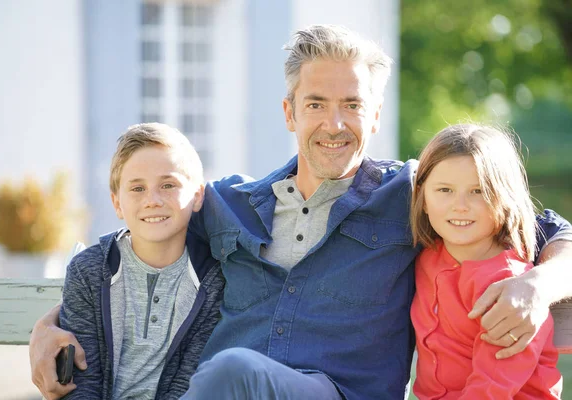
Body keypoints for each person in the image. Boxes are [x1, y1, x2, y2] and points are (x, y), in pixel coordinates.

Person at [30, 25, 572, 400]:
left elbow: (540, 224)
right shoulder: (227, 204)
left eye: (352, 105)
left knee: (234, 370)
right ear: (290, 112)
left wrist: (540, 285)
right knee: (231, 372)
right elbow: (124, 245)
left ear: (375, 114)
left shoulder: (417, 191)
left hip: (333, 391)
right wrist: (49, 323)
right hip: (226, 391)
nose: (334, 124)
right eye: (316, 104)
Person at [57, 123, 224, 399]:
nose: (152, 200)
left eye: (168, 185)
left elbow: (188, 383)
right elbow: (82, 381)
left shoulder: (212, 279)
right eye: (137, 189)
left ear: (197, 195)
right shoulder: (89, 271)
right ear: (117, 203)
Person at [409, 123, 562, 399]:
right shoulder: (426, 257)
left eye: (478, 191)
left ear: (505, 199)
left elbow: (491, 388)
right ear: (422, 197)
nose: (460, 205)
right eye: (444, 190)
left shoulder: (506, 287)